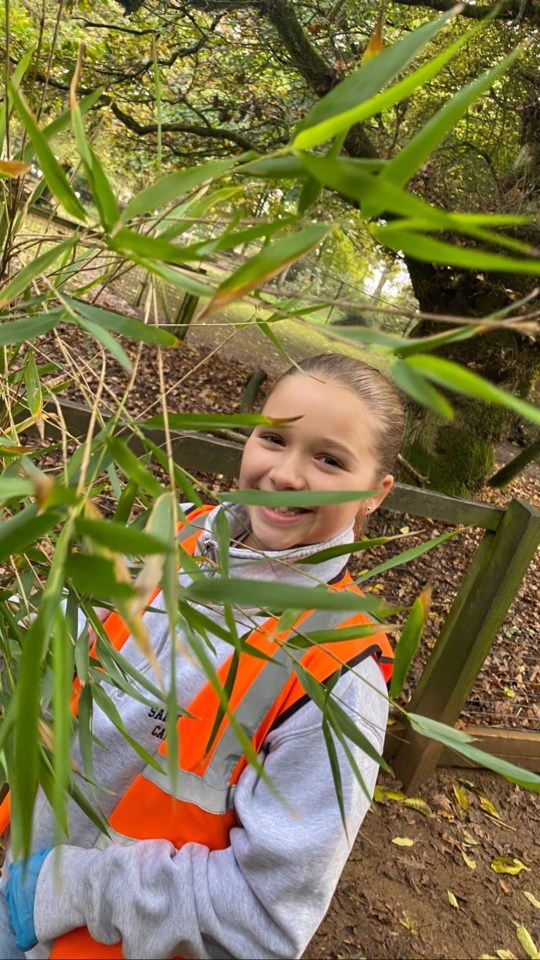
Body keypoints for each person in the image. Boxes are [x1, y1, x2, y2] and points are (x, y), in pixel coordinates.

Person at [1, 353, 405, 960]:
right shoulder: (178, 534)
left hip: (92, 937)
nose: (287, 474)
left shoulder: (337, 670)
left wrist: (70, 891)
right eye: (274, 438)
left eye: (329, 459)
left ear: (376, 493)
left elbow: (268, 915)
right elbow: (74, 641)